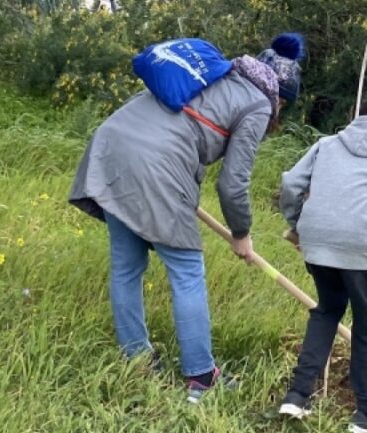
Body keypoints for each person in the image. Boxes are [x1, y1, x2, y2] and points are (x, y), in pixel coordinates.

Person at [68, 33, 305, 403]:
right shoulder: (258, 103)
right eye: (283, 107)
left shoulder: (215, 73)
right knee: (187, 272)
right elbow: (233, 183)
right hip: (155, 165)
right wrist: (241, 233)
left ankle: (137, 359)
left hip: (113, 146)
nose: (279, 113)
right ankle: (201, 378)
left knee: (127, 266)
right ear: (280, 95)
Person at [277, 89, 367, 433]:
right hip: (361, 250)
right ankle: (366, 415)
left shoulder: (327, 144)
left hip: (316, 243)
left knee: (327, 310)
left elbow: (291, 183)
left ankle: (297, 396)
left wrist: (297, 224)